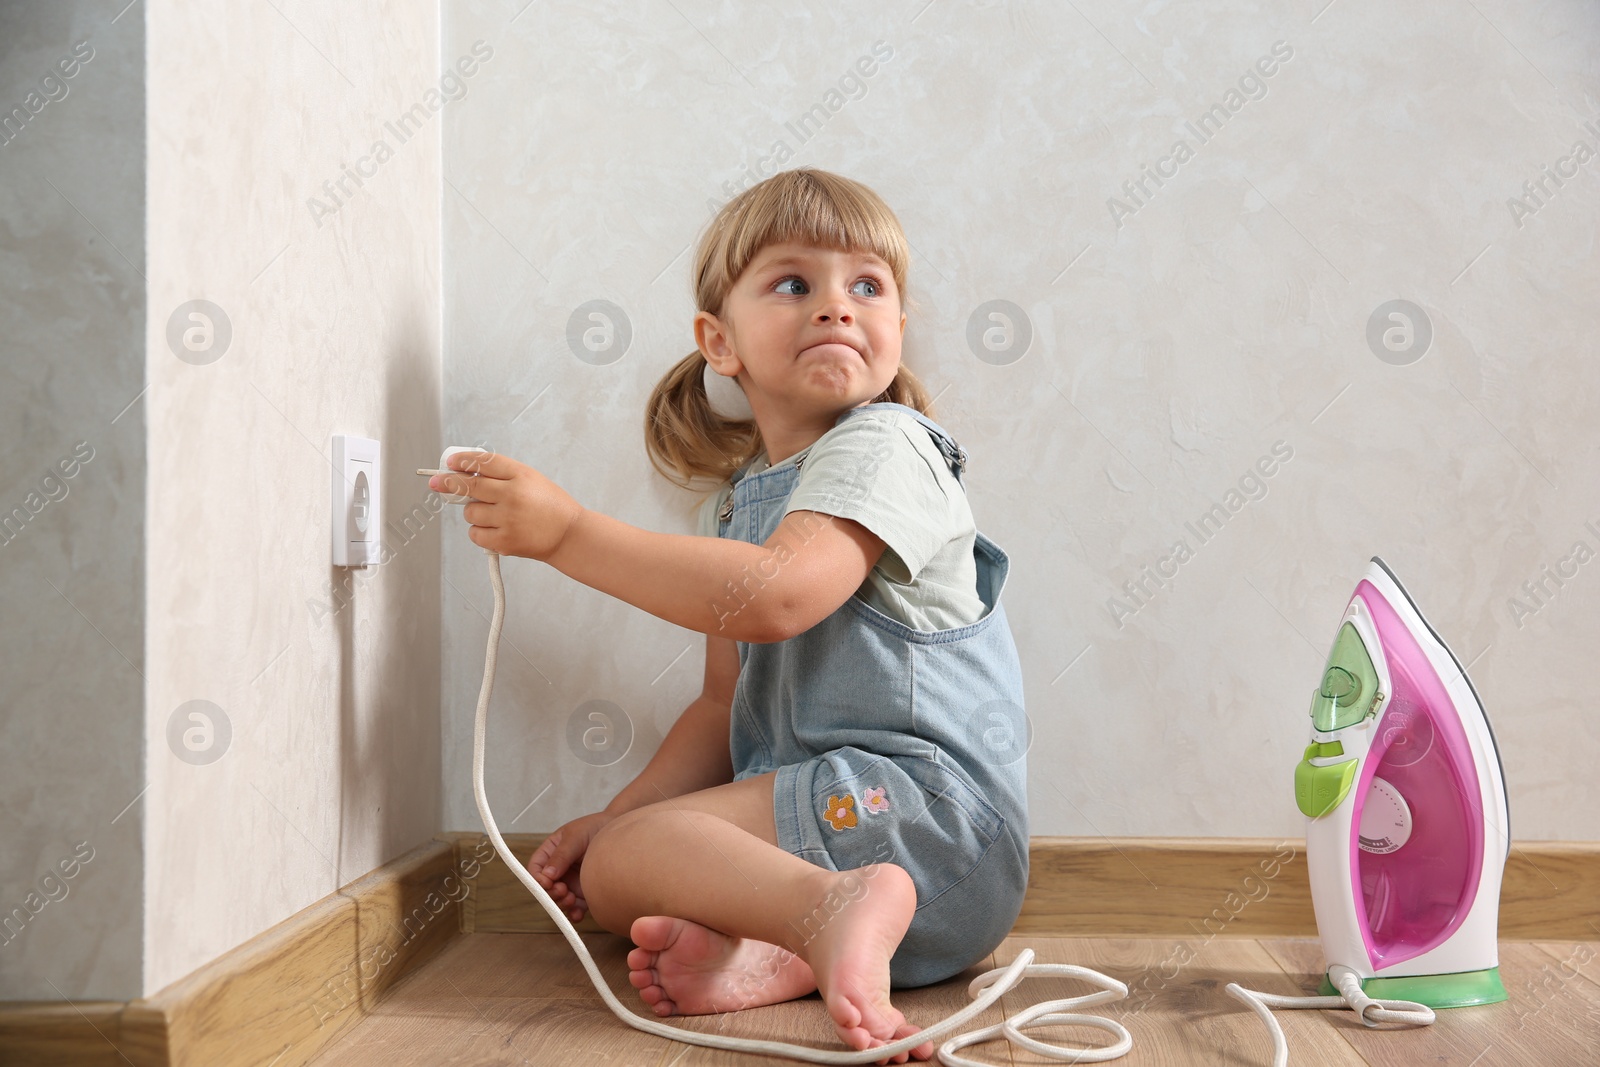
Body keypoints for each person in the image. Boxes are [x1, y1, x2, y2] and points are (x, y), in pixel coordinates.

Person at [428, 167, 1029, 1065]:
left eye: (867, 286)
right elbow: (720, 708)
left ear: (897, 331)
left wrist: (569, 536)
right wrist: (618, 817)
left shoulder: (888, 445)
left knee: (635, 857)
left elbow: (780, 596)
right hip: (883, 877)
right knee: (619, 867)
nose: (836, 306)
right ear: (721, 341)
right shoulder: (746, 503)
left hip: (927, 819)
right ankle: (788, 947)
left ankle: (827, 914)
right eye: (795, 284)